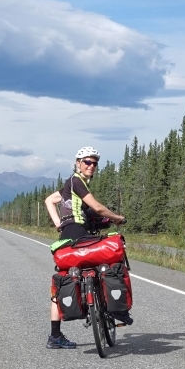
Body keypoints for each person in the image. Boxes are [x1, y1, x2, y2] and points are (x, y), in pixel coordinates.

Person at [43, 146, 130, 349]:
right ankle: (119, 309)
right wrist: (118, 218)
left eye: (94, 163)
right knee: (112, 256)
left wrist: (58, 223)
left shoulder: (68, 184)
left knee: (62, 280)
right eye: (87, 162)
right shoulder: (77, 181)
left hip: (66, 239)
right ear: (78, 163)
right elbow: (98, 208)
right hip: (79, 234)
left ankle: (55, 336)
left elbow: (49, 200)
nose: (91, 165)